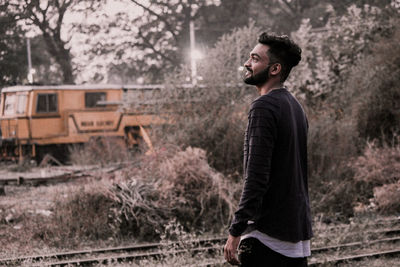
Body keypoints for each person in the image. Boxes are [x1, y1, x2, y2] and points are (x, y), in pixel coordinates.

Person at [224, 33, 313, 266]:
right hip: (295, 236)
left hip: (266, 237)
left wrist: (236, 230)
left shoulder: (263, 107)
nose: (247, 63)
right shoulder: (295, 106)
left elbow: (256, 176)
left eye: (254, 58)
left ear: (274, 69)